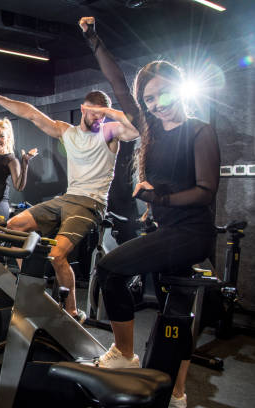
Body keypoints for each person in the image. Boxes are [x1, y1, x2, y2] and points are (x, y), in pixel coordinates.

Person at [78, 17, 221, 408]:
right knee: (174, 314)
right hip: (165, 230)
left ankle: (124, 354)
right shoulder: (150, 129)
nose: (157, 105)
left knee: (109, 270)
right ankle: (178, 393)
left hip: (191, 233)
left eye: (162, 96)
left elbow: (206, 191)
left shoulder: (199, 131)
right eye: (150, 100)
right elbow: (120, 85)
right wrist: (94, 40)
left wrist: (159, 200)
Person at [0, 84, 139, 322]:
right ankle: (32, 286)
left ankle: (72, 312)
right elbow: (30, 113)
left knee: (57, 255)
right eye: (94, 113)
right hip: (67, 198)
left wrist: (107, 112)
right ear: (83, 109)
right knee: (15, 226)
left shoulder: (110, 131)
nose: (99, 119)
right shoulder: (66, 132)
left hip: (91, 203)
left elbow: (136, 129)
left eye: (103, 114)